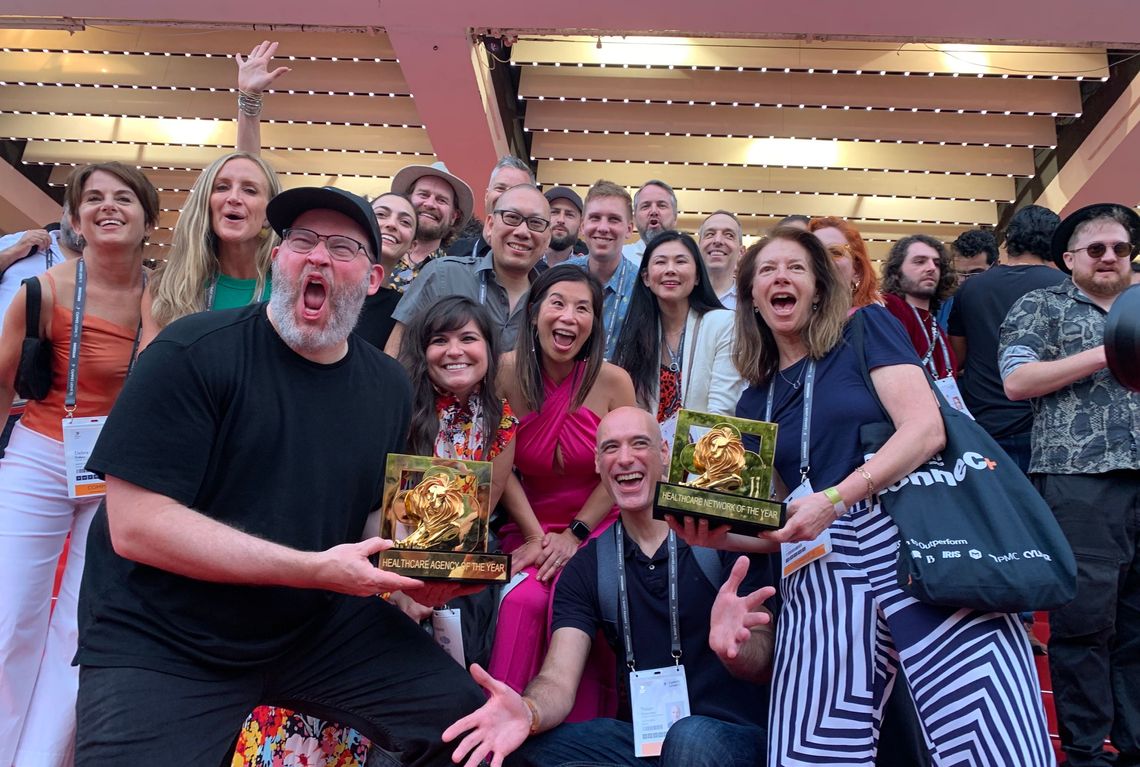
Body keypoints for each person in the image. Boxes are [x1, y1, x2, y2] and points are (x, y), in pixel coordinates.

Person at [72, 185, 483, 766]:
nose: (317, 256)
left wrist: (427, 568)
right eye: (302, 241)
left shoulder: (389, 384)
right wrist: (315, 569)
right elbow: (135, 527)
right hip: (164, 636)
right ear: (277, 258)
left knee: (473, 730)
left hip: (311, 626)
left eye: (341, 247)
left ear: (371, 280)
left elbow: (372, 513)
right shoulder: (191, 351)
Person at [731, 226, 1051, 765]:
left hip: (914, 540)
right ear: (750, 297)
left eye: (796, 267)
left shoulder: (866, 328)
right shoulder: (750, 401)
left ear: (820, 287)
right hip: (821, 571)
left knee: (985, 732)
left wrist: (836, 497)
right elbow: (783, 522)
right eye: (766, 269)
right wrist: (701, 528)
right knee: (812, 745)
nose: (781, 277)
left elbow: (926, 429)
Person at [442, 407, 776, 767]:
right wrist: (528, 710)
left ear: (665, 453)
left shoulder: (724, 541)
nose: (625, 458)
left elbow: (762, 663)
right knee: (514, 746)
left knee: (689, 738)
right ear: (598, 465)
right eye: (611, 448)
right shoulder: (589, 567)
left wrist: (735, 649)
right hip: (646, 742)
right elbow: (557, 678)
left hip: (733, 737)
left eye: (640, 444)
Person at [0, 161, 157, 767]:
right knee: (13, 614)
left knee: (79, 629)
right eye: (93, 198)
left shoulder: (162, 297)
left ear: (148, 218)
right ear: (75, 215)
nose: (108, 207)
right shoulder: (39, 290)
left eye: (123, 198)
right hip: (41, 452)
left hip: (116, 470)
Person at [999, 203, 1140, 767]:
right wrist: (1108, 353)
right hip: (1079, 480)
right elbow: (1016, 380)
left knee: (1136, 624)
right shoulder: (1042, 304)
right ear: (1068, 258)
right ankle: (1084, 751)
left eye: (1121, 249)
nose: (1110, 258)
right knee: (1084, 624)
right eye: (1097, 249)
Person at [488, 264, 636, 716]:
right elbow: (500, 470)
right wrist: (537, 537)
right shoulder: (504, 372)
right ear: (535, 312)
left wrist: (574, 534)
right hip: (529, 524)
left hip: (596, 528)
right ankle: (502, 725)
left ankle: (587, 736)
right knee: (526, 601)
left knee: (595, 602)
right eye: (558, 303)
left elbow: (623, 472)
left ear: (594, 322)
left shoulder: (613, 381)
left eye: (583, 308)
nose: (569, 316)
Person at [948, 205, 1064, 472]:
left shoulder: (971, 289)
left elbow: (958, 356)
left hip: (986, 423)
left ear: (1009, 240)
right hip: (1043, 423)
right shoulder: (1064, 286)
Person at [386, 183, 551, 354]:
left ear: (547, 238)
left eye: (536, 223)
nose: (523, 232)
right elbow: (396, 353)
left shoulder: (550, 300)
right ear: (490, 225)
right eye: (512, 218)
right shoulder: (442, 275)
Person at [140, 151, 280, 347]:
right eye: (222, 187)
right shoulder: (166, 286)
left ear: (268, 214)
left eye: (250, 190)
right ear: (206, 204)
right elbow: (150, 373)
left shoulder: (290, 288)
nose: (233, 198)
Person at [612, 231, 741, 435]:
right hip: (648, 456)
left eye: (681, 262)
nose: (670, 270)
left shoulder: (724, 324)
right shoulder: (636, 332)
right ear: (646, 277)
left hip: (706, 455)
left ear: (698, 276)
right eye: (660, 262)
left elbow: (722, 412)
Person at [0, 212, 83, 456]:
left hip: (52, 401)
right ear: (64, 214)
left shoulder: (104, 268)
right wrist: (13, 252)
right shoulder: (22, 243)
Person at [567, 180, 639, 359]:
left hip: (619, 385)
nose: (603, 228)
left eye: (613, 219)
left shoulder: (642, 286)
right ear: (583, 226)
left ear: (629, 229)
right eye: (595, 218)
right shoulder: (561, 278)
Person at [881, 234, 960, 385]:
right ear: (897, 272)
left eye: (937, 263)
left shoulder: (934, 325)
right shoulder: (886, 312)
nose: (931, 268)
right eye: (919, 262)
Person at [389, 161, 474, 289]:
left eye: (441, 200)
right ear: (406, 201)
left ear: (453, 217)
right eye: (423, 194)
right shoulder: (374, 255)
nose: (430, 204)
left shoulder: (457, 278)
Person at [352, 191, 419, 349]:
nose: (392, 224)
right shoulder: (326, 287)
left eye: (405, 222)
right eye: (381, 214)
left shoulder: (402, 313)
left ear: (412, 246)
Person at [448, 156, 535, 260]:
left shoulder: (537, 269)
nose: (505, 196)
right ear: (486, 196)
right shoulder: (456, 252)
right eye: (500, 188)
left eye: (517, 191)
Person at [808, 215, 882, 310]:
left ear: (857, 270)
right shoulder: (791, 320)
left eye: (835, 252)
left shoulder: (872, 321)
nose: (824, 261)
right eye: (814, 253)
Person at [937, 228, 999, 327]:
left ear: (996, 266)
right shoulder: (942, 307)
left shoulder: (1011, 305)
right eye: (960, 273)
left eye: (975, 273)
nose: (965, 282)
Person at [623, 180, 679, 263]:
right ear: (634, 218)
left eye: (661, 205)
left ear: (675, 217)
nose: (654, 211)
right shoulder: (620, 257)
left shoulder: (691, 258)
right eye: (646, 206)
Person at [697, 211, 745, 308]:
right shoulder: (681, 298)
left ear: (741, 252)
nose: (718, 240)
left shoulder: (751, 302)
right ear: (698, 248)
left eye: (729, 235)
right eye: (710, 234)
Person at [537, 186, 587, 272]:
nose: (561, 220)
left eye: (569, 215)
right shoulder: (522, 260)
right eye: (554, 212)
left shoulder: (589, 269)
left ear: (581, 224)